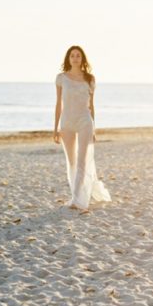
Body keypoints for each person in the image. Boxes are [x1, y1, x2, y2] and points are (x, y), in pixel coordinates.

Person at [53, 45, 111, 211]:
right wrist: (55, 128)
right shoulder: (61, 78)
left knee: (82, 161)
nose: (75, 58)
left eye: (78, 55)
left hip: (85, 121)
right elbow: (58, 104)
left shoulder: (90, 79)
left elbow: (91, 106)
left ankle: (77, 200)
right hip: (67, 123)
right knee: (71, 161)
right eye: (72, 56)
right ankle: (77, 194)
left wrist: (94, 128)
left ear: (82, 59)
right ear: (68, 59)